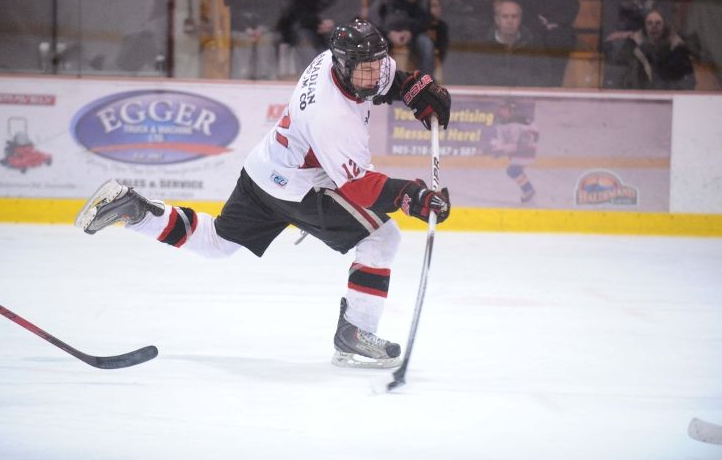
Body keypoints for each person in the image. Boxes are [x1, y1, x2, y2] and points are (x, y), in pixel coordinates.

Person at [74, 19, 452, 369]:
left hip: (264, 169)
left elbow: (384, 80)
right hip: (302, 187)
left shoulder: (338, 62)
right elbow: (358, 187)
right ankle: (354, 331)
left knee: (216, 243)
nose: (372, 78)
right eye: (364, 70)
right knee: (382, 237)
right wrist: (411, 197)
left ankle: (138, 213)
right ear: (342, 65)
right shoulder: (331, 116)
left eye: (377, 66)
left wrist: (411, 87)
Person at [601, 0, 668, 88]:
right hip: (620, 40)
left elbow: (663, 24)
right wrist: (628, 35)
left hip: (650, 39)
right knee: (624, 51)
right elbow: (609, 27)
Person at [613, 7, 695, 90]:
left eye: (658, 23)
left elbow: (688, 83)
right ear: (644, 27)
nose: (654, 26)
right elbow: (618, 77)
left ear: (664, 26)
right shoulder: (631, 47)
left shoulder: (677, 50)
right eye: (649, 23)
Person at [473, 0, 545, 87]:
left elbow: (543, 75)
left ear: (520, 19)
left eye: (514, 16)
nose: (510, 21)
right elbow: (476, 76)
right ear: (497, 20)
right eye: (505, 16)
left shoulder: (533, 44)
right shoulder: (482, 46)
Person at [489, 101, 539, 203]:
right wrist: (497, 148)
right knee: (514, 170)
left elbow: (533, 134)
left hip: (526, 149)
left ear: (511, 110)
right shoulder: (501, 122)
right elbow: (502, 140)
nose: (502, 111)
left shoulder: (521, 121)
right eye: (501, 109)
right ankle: (529, 190)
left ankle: (529, 190)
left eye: (505, 109)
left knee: (513, 170)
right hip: (517, 150)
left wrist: (527, 140)